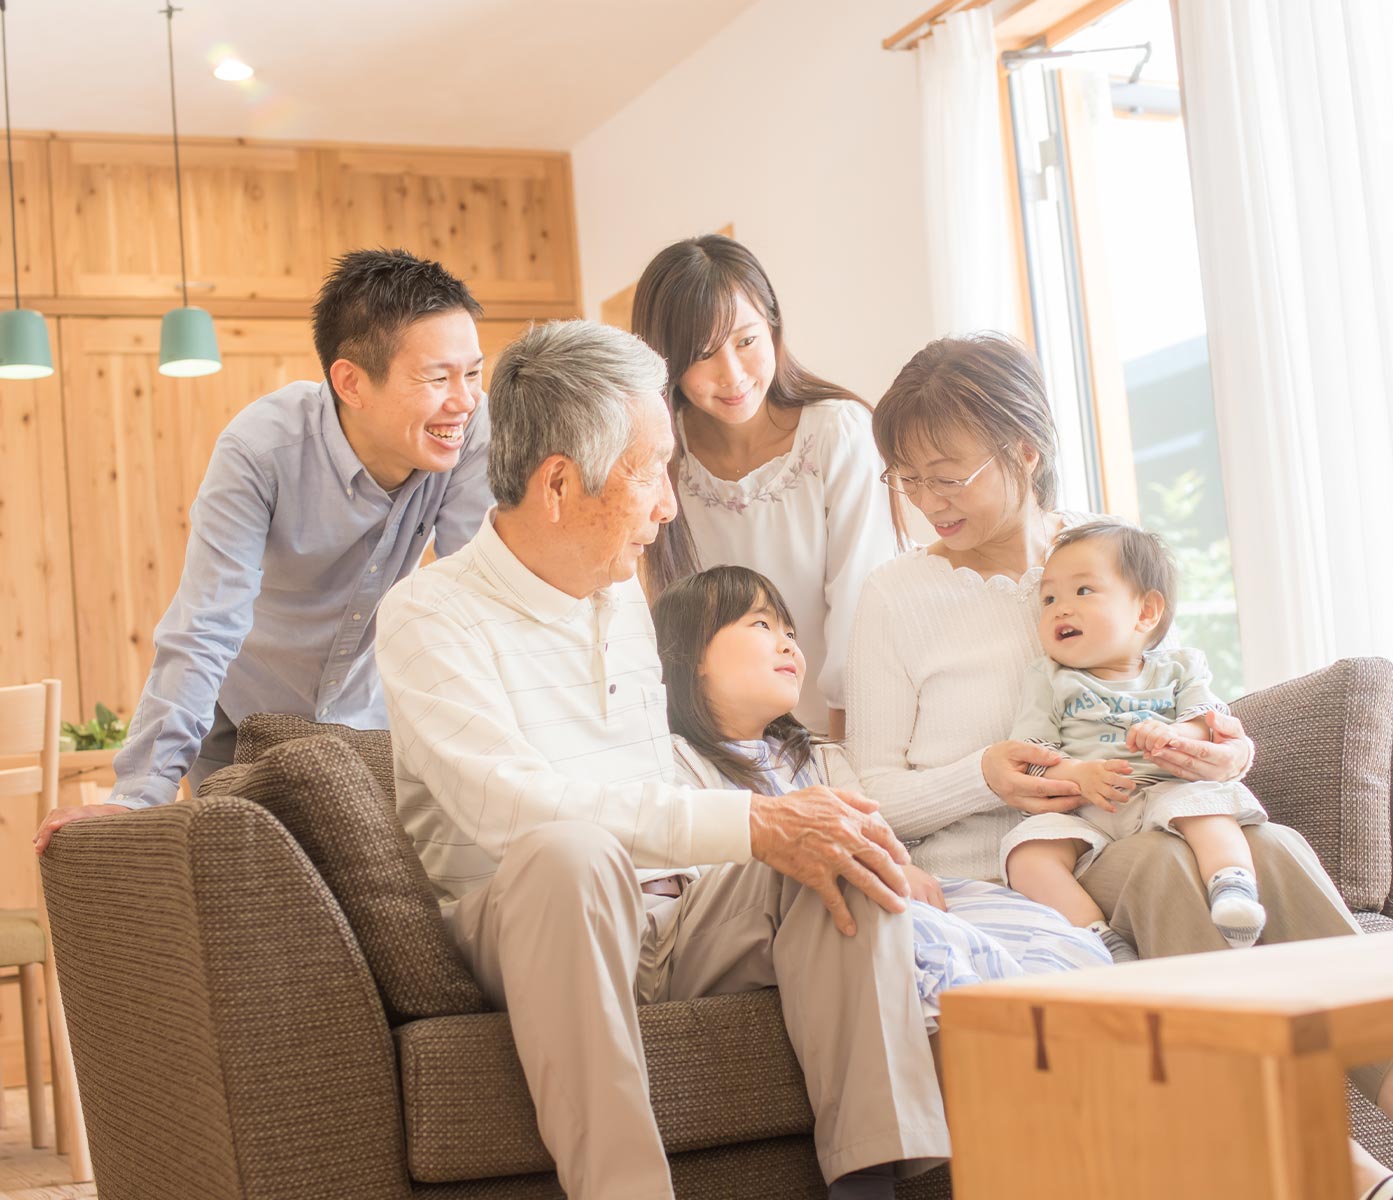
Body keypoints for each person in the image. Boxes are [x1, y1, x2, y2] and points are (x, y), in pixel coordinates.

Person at [844, 331, 1393, 1200]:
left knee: (1269, 849)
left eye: (949, 474)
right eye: (907, 477)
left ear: (1023, 452)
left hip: (1135, 812)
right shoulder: (895, 596)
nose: (927, 499)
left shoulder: (1098, 557)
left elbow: (1173, 691)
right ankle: (1341, 1171)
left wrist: (1227, 745)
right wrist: (984, 773)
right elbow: (869, 797)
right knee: (1171, 867)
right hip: (1021, 871)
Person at [374, 319, 947, 1200]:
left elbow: (657, 780)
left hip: (672, 911)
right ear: (559, 483)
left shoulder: (621, 597)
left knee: (837, 847)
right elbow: (507, 806)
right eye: (651, 472)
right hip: (532, 917)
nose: (669, 506)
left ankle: (883, 1182)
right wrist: (750, 821)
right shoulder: (429, 614)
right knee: (572, 851)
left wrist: (798, 816)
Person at [35, 248, 491, 852]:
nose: (463, 400)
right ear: (351, 381)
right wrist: (135, 797)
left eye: (473, 373)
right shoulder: (259, 451)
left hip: (366, 718)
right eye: (438, 378)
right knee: (252, 907)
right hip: (239, 724)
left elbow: (477, 597)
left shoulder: (463, 435)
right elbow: (205, 626)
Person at [652, 563, 1110, 1034]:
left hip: (882, 894)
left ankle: (1075, 1032)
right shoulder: (671, 761)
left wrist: (904, 867)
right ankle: (1004, 1040)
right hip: (783, 917)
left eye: (790, 630)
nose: (789, 643)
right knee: (932, 940)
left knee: (1041, 930)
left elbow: (879, 834)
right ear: (694, 654)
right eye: (761, 625)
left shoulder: (821, 759)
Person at [632, 234, 896, 738]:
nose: (731, 375)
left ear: (773, 326)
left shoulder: (836, 433)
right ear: (665, 362)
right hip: (724, 747)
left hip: (845, 731)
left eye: (746, 341)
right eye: (702, 354)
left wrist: (838, 753)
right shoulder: (662, 456)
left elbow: (861, 607)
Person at [1002, 520, 1269, 963]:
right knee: (1026, 856)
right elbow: (1031, 755)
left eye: (1083, 591)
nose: (1060, 609)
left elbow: (1210, 724)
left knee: (1208, 807)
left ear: (1146, 612)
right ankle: (1098, 938)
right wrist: (1076, 775)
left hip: (1166, 787)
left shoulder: (1181, 667)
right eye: (1049, 599)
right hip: (1086, 809)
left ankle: (1233, 886)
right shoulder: (1047, 678)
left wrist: (1174, 735)